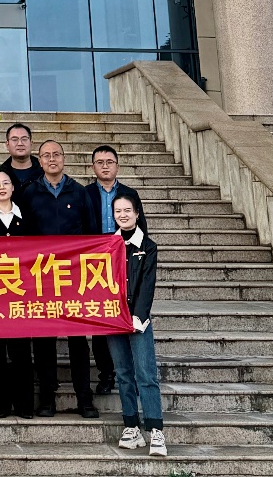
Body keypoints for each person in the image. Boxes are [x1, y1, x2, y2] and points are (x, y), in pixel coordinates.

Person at [25, 138, 98, 420]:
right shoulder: (30, 193)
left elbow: (91, 233)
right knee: (44, 341)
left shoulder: (79, 192)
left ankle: (84, 399)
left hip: (73, 277)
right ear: (39, 161)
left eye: (56, 154)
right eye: (46, 155)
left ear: (64, 159)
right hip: (41, 278)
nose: (52, 159)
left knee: (78, 341)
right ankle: (46, 398)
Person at [87, 144, 148, 398]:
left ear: (117, 166)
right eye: (99, 162)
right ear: (93, 167)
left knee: (128, 315)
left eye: (109, 162)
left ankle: (133, 373)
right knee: (101, 320)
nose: (105, 166)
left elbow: (142, 230)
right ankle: (107, 375)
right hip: (96, 265)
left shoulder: (130, 194)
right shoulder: (85, 193)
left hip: (126, 263)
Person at [108, 195, 165, 458]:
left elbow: (147, 285)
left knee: (146, 374)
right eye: (118, 211)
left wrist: (138, 317)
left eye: (127, 210)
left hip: (138, 319)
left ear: (137, 213)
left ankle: (155, 430)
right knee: (123, 373)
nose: (123, 215)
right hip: (113, 318)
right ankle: (131, 426)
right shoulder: (107, 245)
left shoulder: (148, 246)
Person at [0, 170, 33, 418]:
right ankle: (0, 406)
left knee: (21, 352)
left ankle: (24, 406)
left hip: (22, 294)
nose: (1, 187)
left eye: (6, 183)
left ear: (13, 188)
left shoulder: (26, 216)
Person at [0, 121, 39, 202]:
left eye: (24, 139)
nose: (20, 143)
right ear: (7, 144)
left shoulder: (44, 171)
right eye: (15, 139)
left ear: (31, 143)